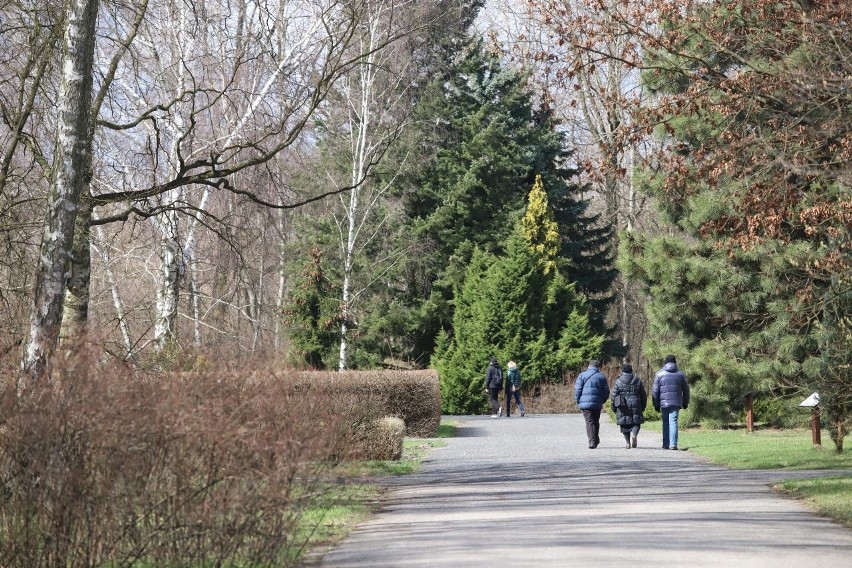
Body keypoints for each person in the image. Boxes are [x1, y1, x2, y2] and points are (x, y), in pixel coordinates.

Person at [652, 354, 690, 450]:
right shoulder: (681, 374)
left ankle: (665, 444)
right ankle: (673, 444)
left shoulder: (659, 374)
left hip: (663, 403)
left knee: (665, 422)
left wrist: (656, 404)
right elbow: (686, 390)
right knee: (673, 421)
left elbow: (655, 390)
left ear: (665, 362)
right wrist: (685, 402)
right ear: (675, 362)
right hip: (676, 402)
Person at [574, 359, 610, 448]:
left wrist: (577, 400)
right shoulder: (601, 376)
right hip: (597, 402)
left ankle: (592, 441)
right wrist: (603, 400)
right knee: (596, 421)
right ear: (598, 367)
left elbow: (577, 389)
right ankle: (595, 439)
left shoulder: (582, 375)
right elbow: (606, 391)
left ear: (589, 366)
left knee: (589, 421)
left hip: (585, 403)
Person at [611, 364, 647, 448]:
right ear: (631, 370)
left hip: (622, 404)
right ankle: (634, 435)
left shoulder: (618, 381)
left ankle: (627, 442)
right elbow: (643, 394)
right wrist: (643, 406)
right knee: (636, 422)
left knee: (624, 423)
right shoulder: (637, 380)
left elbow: (614, 396)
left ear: (622, 371)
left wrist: (614, 407)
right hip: (636, 403)